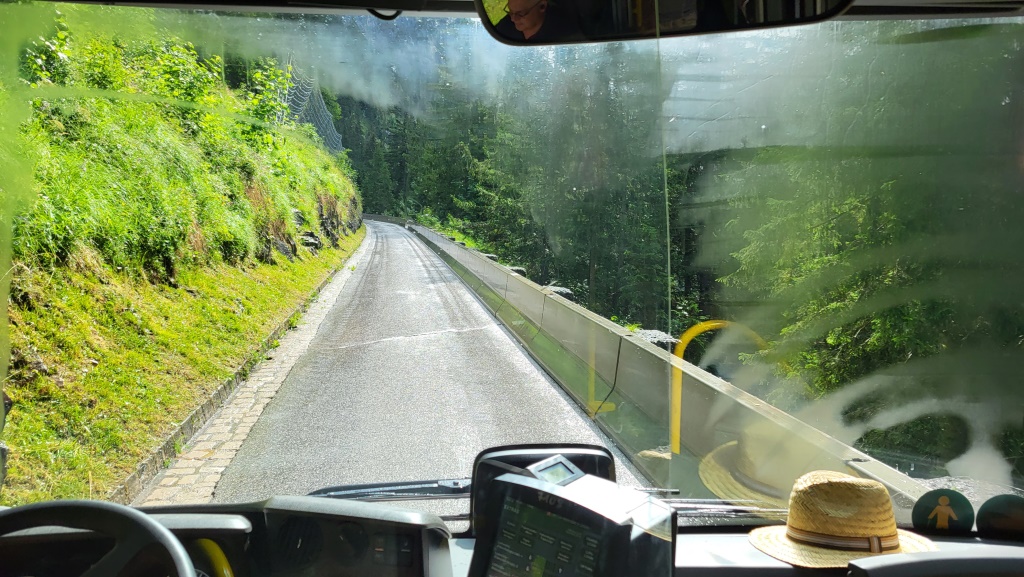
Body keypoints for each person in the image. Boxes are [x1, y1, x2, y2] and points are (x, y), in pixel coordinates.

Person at [493, 0, 582, 42]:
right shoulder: (507, 25)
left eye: (521, 13)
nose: (513, 19)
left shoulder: (565, 36)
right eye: (510, 11)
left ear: (542, 6)